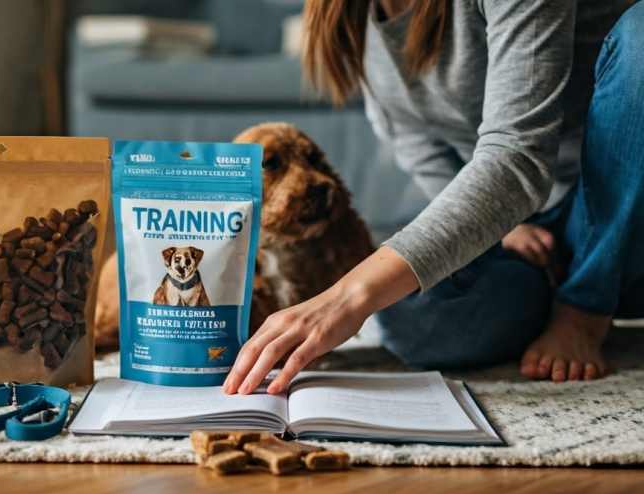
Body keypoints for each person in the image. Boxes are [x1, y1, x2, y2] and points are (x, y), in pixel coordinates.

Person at [223, 0, 644, 396]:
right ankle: (545, 289)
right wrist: (501, 227)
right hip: (529, 226)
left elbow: (518, 155)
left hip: (624, 219)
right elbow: (411, 135)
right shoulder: (354, 13)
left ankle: (585, 307)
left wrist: (347, 296)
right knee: (411, 322)